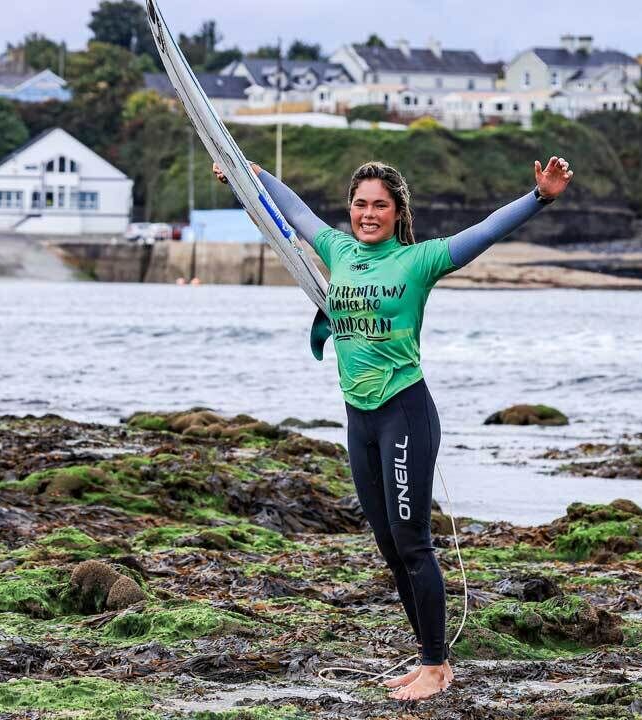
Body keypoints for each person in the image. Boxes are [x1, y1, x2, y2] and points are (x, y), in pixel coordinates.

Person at [215, 157, 573, 700]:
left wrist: (539, 196)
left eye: (380, 204)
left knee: (413, 543)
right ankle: (433, 659)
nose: (368, 213)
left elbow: (484, 232)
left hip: (404, 413)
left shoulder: (419, 261)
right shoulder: (336, 251)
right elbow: (292, 211)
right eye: (360, 203)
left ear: (398, 210)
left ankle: (435, 663)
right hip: (360, 419)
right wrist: (250, 175)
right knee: (388, 545)